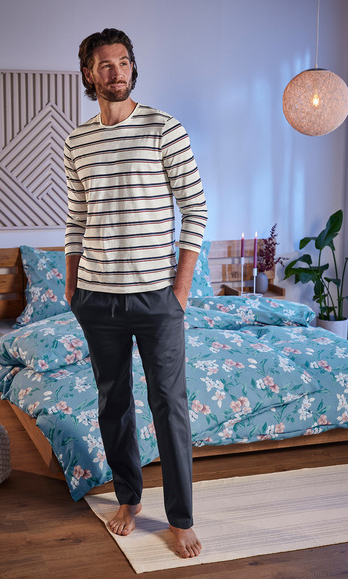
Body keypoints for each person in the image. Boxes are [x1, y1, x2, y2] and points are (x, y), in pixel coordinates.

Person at [63, 28, 207, 559]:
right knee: (113, 403)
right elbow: (76, 220)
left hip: (156, 300)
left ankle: (180, 517)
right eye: (105, 64)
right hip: (97, 298)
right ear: (89, 73)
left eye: (123, 62)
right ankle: (129, 498)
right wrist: (72, 284)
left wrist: (180, 290)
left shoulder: (164, 129)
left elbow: (196, 210)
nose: (116, 72)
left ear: (132, 67)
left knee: (170, 405)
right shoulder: (77, 142)